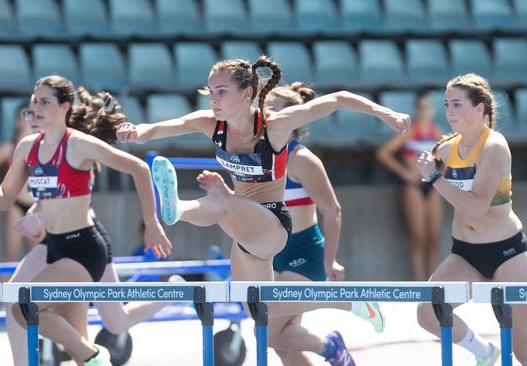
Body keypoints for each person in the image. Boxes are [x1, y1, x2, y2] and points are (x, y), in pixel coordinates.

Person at [117, 56, 410, 366]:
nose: (214, 99)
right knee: (259, 308)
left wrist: (385, 112)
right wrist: (137, 131)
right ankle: (350, 303)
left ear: (247, 94)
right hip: (245, 232)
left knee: (221, 200)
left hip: (272, 223)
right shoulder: (210, 124)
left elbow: (337, 100)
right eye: (210, 91)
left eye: (222, 92)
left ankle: (179, 208)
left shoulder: (275, 127)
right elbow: (164, 128)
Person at [0, 75, 171, 365]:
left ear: (65, 107)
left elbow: (139, 169)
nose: (36, 107)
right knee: (70, 339)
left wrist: (152, 223)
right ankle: (88, 356)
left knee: (23, 308)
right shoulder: (26, 147)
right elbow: (4, 200)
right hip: (55, 247)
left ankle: (94, 355)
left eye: (45, 101)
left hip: (84, 250)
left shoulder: (79, 145)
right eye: (34, 101)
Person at [415, 74, 527, 366]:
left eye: (457, 104)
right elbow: (430, 158)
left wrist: (433, 177)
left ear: (481, 109)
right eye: (446, 104)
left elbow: (477, 207)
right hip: (465, 253)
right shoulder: (448, 147)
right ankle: (485, 353)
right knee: (427, 312)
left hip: (508, 254)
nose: (449, 112)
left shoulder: (495, 146)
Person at [265, 82, 384, 366]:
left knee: (268, 330)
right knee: (284, 344)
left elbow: (332, 210)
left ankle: (347, 303)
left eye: (271, 107)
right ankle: (334, 349)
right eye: (263, 106)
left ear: (294, 118)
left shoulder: (303, 160)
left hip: (305, 252)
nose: (264, 113)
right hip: (274, 253)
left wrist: (331, 261)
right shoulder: (260, 157)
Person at [376, 93, 444, 281]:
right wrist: (404, 172)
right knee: (418, 238)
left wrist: (441, 175)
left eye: (428, 107)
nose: (425, 111)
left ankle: (433, 283)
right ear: (416, 109)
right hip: (413, 186)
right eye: (421, 107)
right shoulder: (410, 131)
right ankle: (419, 283)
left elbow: (450, 156)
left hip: (432, 185)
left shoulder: (436, 131)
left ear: (433, 110)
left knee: (434, 239)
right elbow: (384, 153)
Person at [0, 103, 40, 261]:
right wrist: (1, 192)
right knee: (9, 257)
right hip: (15, 205)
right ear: (17, 121)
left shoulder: (44, 146)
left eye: (33, 115)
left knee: (36, 259)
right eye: (25, 115)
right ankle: (2, 287)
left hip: (37, 206)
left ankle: (31, 287)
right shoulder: (8, 147)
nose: (30, 119)